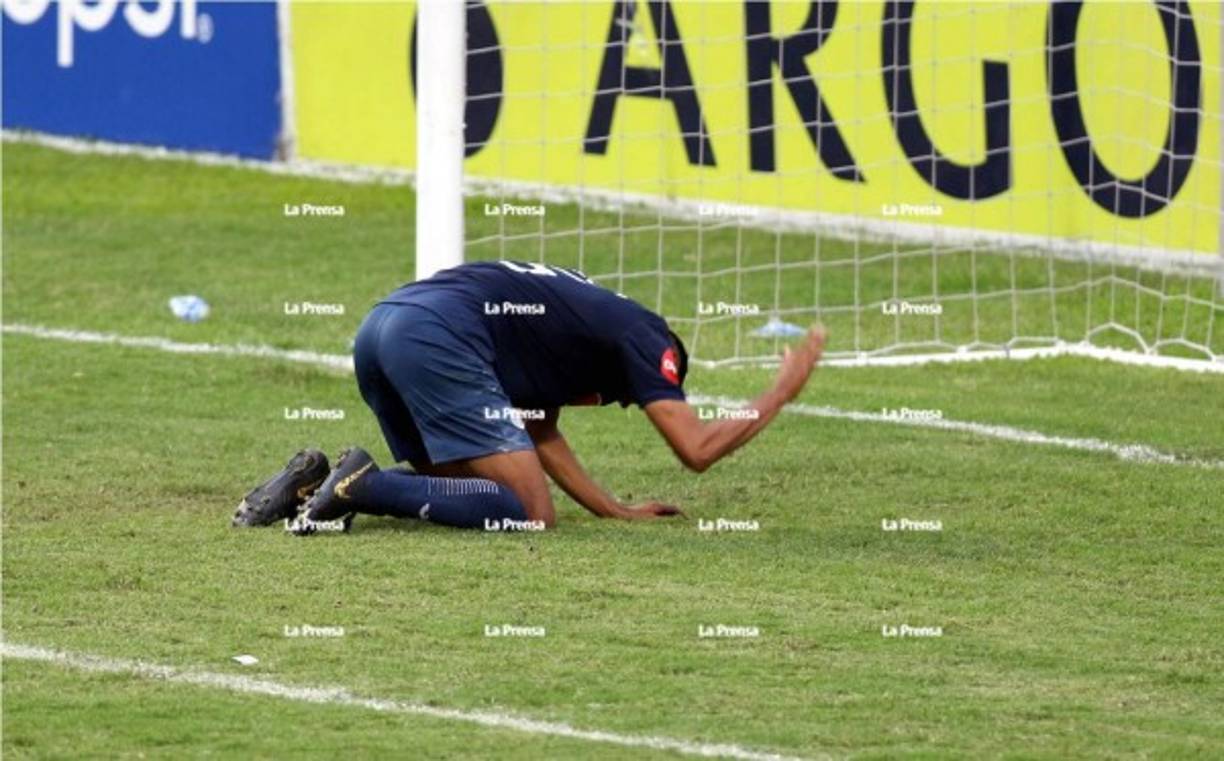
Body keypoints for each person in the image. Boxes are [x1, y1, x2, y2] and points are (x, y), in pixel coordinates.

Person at [233, 260, 824, 533]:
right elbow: (695, 448)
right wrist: (779, 392)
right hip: (436, 337)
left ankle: (314, 483)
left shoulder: (571, 323)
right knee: (531, 515)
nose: (609, 404)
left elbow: (538, 428)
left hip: (382, 326)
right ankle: (363, 484)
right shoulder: (646, 334)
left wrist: (613, 509)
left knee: (468, 485)